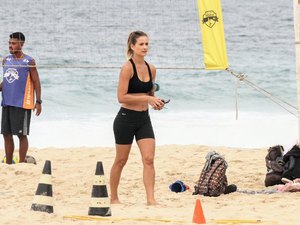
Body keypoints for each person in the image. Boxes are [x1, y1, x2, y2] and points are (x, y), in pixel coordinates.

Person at [110, 31, 165, 205]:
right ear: (132, 46)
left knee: (149, 159)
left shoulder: (152, 68)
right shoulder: (127, 68)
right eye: (141, 44)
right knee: (121, 160)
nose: (145, 47)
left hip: (144, 119)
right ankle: (114, 197)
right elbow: (122, 97)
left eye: (147, 44)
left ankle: (151, 199)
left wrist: (155, 103)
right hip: (125, 119)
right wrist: (148, 98)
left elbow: (149, 94)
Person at [0, 32, 42, 164]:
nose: (10, 46)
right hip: (7, 102)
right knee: (6, 134)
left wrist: (38, 101)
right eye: (9, 43)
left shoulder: (29, 61)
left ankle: (22, 163)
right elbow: (6, 81)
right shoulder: (6, 60)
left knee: (21, 134)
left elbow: (36, 81)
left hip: (22, 103)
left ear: (21, 44)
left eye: (13, 43)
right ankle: (8, 163)